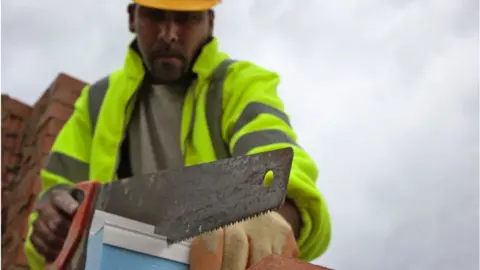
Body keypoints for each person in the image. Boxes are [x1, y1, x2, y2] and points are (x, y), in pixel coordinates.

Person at [24, 0, 331, 269]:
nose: (169, 34)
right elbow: (57, 191)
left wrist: (273, 218)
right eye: (156, 15)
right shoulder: (97, 101)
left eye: (186, 18)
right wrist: (51, 225)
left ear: (209, 23)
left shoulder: (238, 84)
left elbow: (278, 159)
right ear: (132, 17)